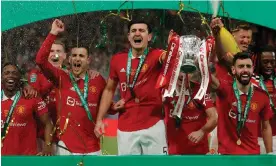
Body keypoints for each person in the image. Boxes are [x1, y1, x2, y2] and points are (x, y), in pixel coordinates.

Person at [94, 19, 173, 155]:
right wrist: (100, 119)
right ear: (129, 37)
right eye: (133, 31)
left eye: (142, 30)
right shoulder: (118, 59)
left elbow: (170, 59)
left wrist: (173, 48)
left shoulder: (156, 55)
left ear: (149, 37)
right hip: (126, 126)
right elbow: (109, 89)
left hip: (153, 124)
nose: (137, 33)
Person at [36, 19, 107, 155]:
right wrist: (53, 33)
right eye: (74, 55)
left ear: (88, 60)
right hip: (66, 148)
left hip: (93, 148)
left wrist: (115, 107)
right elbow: (40, 60)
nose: (77, 58)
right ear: (69, 59)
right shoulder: (61, 77)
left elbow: (107, 104)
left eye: (81, 56)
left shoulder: (97, 79)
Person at [210, 52, 273, 154]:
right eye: (241, 66)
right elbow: (210, 80)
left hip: (252, 155)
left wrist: (270, 154)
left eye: (248, 66)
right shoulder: (225, 90)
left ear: (252, 69)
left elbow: (266, 127)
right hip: (227, 156)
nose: (245, 70)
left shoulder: (262, 96)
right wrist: (201, 62)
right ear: (233, 70)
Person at [1, 62, 53, 155]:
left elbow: (48, 123)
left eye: (14, 73)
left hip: (27, 158)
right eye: (7, 73)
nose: (10, 75)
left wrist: (47, 147)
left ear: (20, 78)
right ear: (1, 77)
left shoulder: (31, 96)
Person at [164, 72, 217, 154]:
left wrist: (202, 131)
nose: (182, 74)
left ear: (192, 74)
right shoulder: (165, 90)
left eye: (186, 71)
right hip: (173, 152)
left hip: (198, 152)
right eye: (179, 70)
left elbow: (214, 117)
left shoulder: (200, 90)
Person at [252, 46, 276, 154]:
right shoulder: (250, 81)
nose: (269, 65)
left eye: (272, 62)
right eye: (265, 62)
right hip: (253, 138)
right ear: (257, 62)